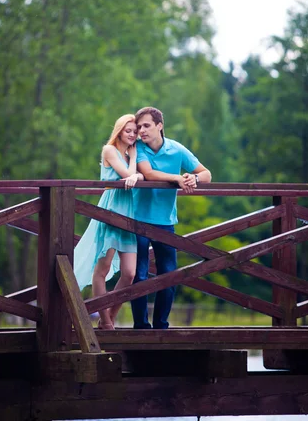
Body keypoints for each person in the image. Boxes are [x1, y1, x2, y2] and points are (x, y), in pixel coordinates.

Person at [131, 106, 212, 329]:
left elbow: (207, 174)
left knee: (169, 276)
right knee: (139, 276)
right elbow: (148, 174)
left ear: (160, 126)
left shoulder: (177, 149)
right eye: (139, 127)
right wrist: (177, 178)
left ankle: (161, 327)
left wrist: (193, 179)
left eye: (146, 126)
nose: (142, 131)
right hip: (136, 221)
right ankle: (141, 328)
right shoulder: (138, 147)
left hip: (165, 222)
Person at [74, 114, 144, 329]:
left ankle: (110, 316)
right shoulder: (110, 150)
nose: (132, 134)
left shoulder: (133, 153)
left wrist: (138, 175)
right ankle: (104, 321)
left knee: (130, 273)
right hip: (111, 210)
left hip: (129, 214)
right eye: (128, 130)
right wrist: (133, 164)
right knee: (102, 270)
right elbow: (127, 174)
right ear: (119, 130)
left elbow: (139, 176)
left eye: (135, 131)